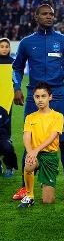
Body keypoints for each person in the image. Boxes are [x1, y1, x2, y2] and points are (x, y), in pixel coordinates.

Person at [12, 4, 64, 201]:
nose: (49, 17)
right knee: (30, 142)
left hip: (58, 96)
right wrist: (17, 87)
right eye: (44, 14)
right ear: (36, 16)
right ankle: (25, 187)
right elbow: (17, 68)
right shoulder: (26, 43)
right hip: (35, 96)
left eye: (51, 14)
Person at [18, 82, 64, 207]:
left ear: (50, 97)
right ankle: (29, 195)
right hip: (35, 155)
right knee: (29, 163)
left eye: (43, 96)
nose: (40, 100)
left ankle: (44, 181)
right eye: (37, 96)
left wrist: (35, 150)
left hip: (50, 156)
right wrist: (30, 152)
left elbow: (52, 137)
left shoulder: (58, 117)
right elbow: (26, 136)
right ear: (33, 98)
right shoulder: (30, 117)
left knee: (48, 201)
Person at [0, 37, 17, 178]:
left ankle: (9, 165)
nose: (5, 48)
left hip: (6, 104)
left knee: (5, 135)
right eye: (2, 46)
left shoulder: (13, 63)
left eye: (7, 46)